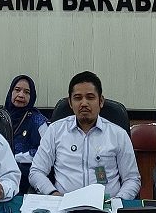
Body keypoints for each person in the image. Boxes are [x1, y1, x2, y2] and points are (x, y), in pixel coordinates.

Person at [29, 71, 140, 200]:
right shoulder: (55, 131)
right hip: (64, 204)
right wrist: (53, 194)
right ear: (70, 103)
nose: (84, 103)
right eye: (77, 98)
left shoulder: (118, 134)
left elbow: (132, 179)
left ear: (101, 101)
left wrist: (118, 201)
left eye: (90, 97)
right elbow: (36, 171)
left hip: (106, 205)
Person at [4, 74, 48, 193]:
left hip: (26, 174)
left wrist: (17, 157)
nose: (21, 95)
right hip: (1, 171)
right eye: (17, 90)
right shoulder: (1, 118)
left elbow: (47, 152)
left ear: (31, 96)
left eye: (27, 92)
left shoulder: (38, 121)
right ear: (11, 92)